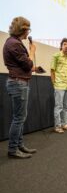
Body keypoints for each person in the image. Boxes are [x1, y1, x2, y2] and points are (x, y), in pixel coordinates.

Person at [3, 16, 37, 158]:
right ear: (23, 29)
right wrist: (32, 51)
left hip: (19, 82)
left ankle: (19, 145)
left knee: (20, 117)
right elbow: (27, 64)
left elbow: (23, 65)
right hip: (18, 83)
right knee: (19, 118)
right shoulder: (14, 44)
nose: (29, 32)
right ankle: (13, 149)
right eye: (28, 29)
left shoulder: (13, 42)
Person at [51, 38, 67, 133]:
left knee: (66, 106)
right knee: (58, 106)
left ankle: (64, 124)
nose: (66, 46)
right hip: (59, 84)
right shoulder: (56, 56)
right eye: (64, 44)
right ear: (61, 45)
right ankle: (57, 126)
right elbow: (52, 70)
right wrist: (54, 83)